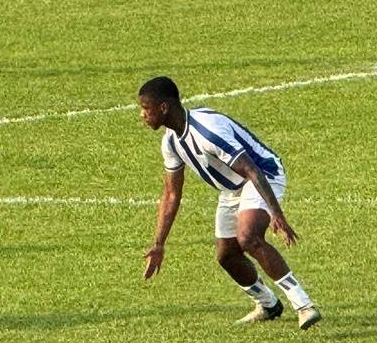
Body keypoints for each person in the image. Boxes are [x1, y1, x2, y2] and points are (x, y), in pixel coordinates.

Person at [136, 77, 322, 329]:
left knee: (248, 237)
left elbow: (252, 170)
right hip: (231, 188)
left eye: (146, 108)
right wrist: (158, 244)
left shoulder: (207, 131)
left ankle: (304, 305)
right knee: (227, 255)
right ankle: (267, 304)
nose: (142, 115)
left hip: (263, 175)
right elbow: (171, 194)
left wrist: (277, 214)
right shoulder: (170, 141)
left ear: (163, 108)